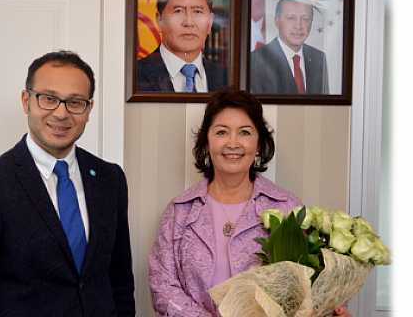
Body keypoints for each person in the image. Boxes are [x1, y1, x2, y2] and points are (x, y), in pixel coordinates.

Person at [0, 51, 135, 316]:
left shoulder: (110, 179)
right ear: (27, 101)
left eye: (75, 102)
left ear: (89, 109)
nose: (61, 113)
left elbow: (120, 281)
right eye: (48, 99)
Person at [148, 90, 349, 316]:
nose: (233, 143)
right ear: (206, 141)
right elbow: (163, 287)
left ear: (259, 143)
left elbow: (308, 286)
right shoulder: (180, 211)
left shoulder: (286, 208)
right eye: (222, 132)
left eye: (244, 132)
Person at [137, 0, 228, 93]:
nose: (189, 22)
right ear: (159, 19)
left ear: (210, 22)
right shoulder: (134, 75)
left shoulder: (226, 78)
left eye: (197, 11)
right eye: (178, 11)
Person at [250, 0, 329, 94]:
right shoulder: (256, 60)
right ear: (277, 21)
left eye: (305, 19)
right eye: (291, 18)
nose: (298, 26)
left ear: (311, 22)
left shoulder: (319, 58)